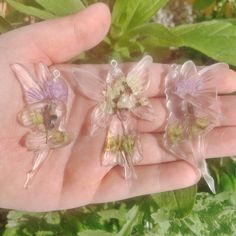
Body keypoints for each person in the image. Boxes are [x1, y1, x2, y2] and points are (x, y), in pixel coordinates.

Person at [0, 3, 236, 212]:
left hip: (118, 117)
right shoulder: (79, 107)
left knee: (168, 147)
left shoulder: (131, 103)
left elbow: (136, 100)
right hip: (86, 120)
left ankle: (170, 160)